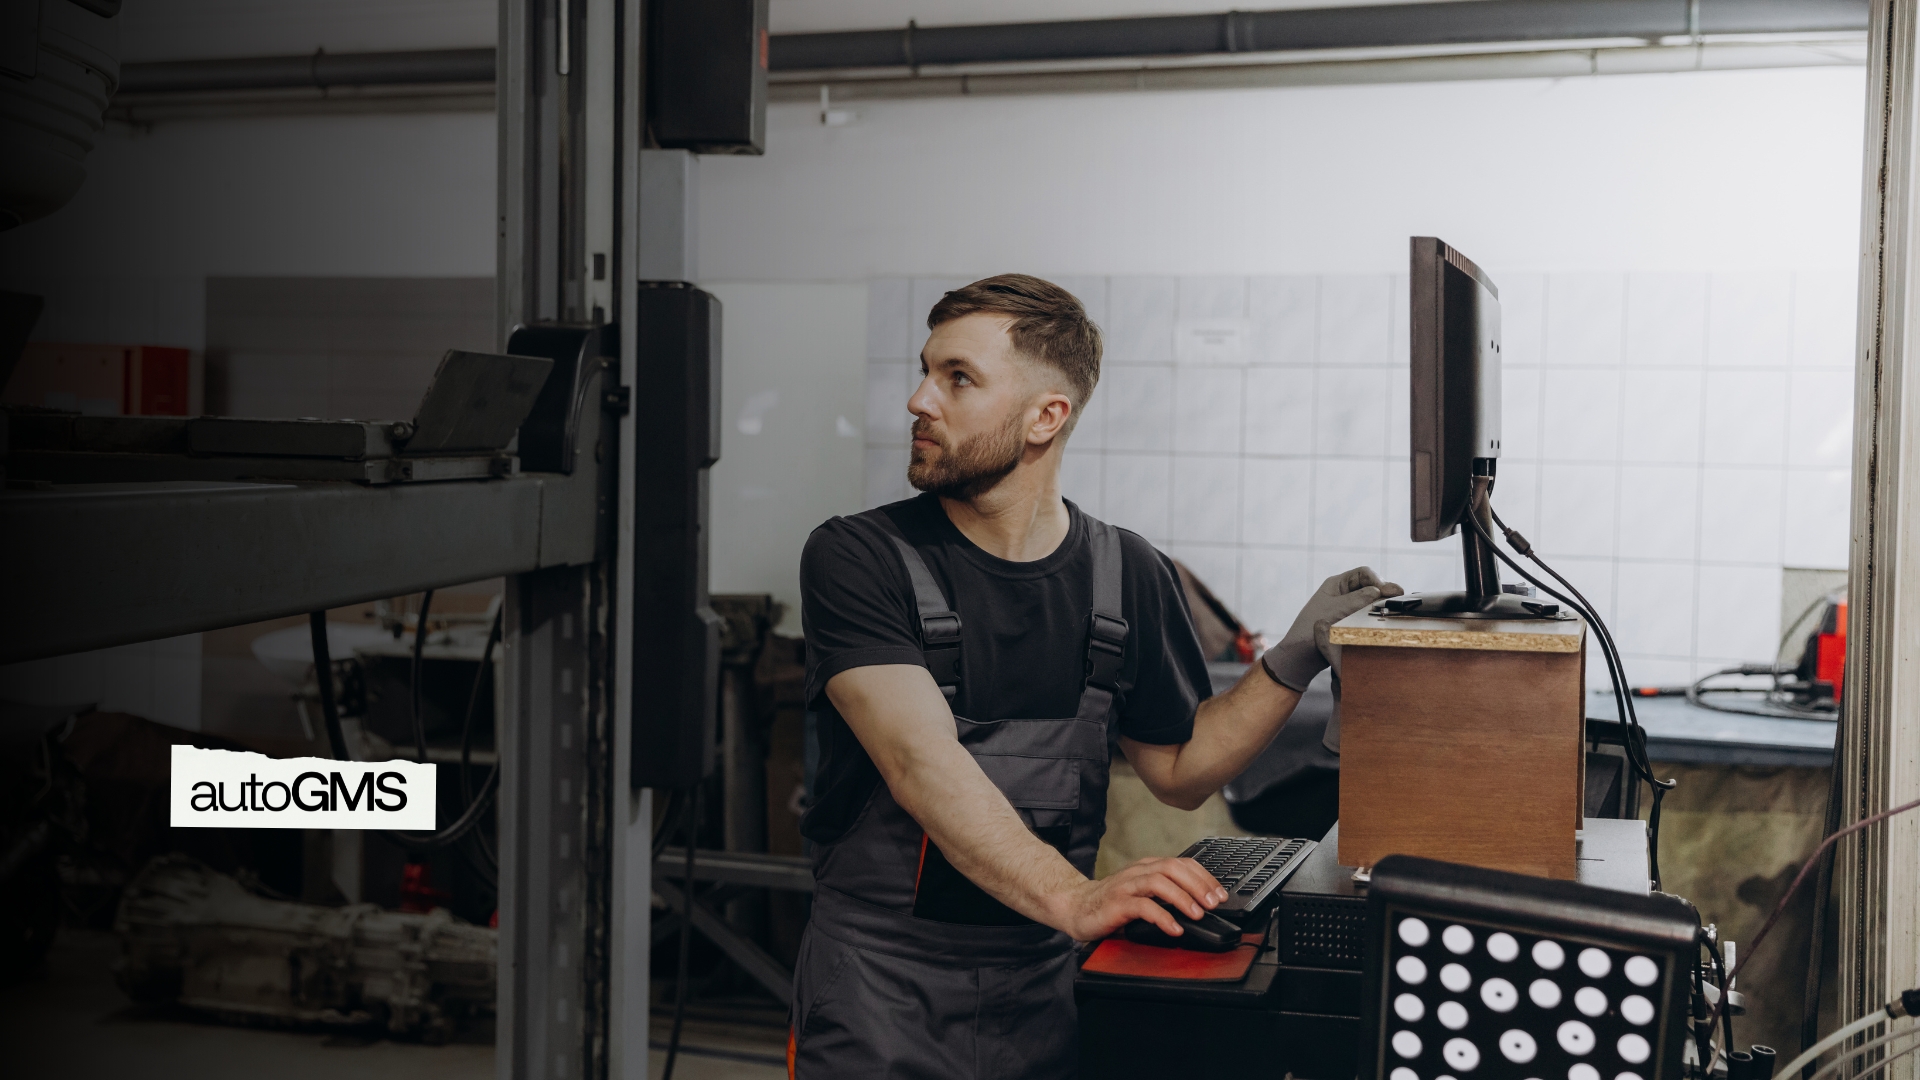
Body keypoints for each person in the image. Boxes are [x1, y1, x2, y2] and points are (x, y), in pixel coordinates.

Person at [789, 274, 1402, 1078]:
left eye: (957, 378)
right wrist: (1077, 898)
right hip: (878, 988)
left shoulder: (1127, 573)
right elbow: (918, 761)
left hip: (1044, 989)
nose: (918, 400)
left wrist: (1290, 662)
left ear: (1048, 416)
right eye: (926, 370)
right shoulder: (859, 558)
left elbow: (1180, 770)